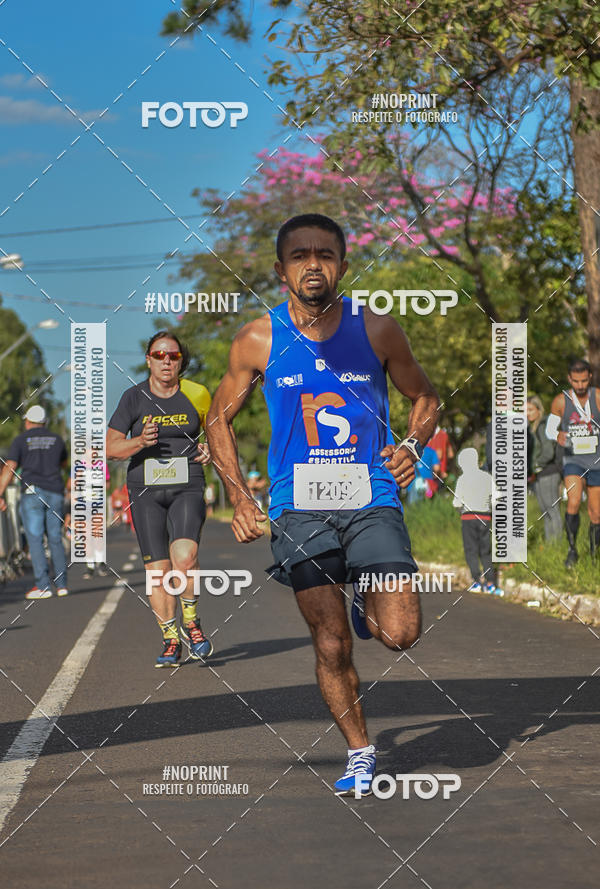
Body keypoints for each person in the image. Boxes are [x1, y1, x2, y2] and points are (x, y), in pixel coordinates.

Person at [206, 213, 439, 797]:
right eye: (300, 255)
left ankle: (366, 594)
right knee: (331, 641)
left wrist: (412, 445)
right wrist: (239, 495)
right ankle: (360, 752)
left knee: (401, 633)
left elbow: (425, 397)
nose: (313, 264)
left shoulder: (378, 329)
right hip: (298, 506)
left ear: (342, 264)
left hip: (370, 494)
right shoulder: (257, 339)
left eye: (325, 254)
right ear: (279, 269)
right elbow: (217, 419)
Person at [106, 331, 214, 667]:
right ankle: (170, 639)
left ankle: (191, 623)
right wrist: (139, 441)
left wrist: (210, 449)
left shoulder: (197, 393)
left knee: (186, 556)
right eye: (159, 355)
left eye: (173, 356)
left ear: (181, 361)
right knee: (158, 571)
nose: (167, 361)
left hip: (187, 485)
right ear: (148, 360)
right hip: (145, 491)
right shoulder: (133, 398)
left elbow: (219, 431)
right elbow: (110, 448)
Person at [0, 405, 68, 599]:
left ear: (28, 422)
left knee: (35, 538)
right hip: (55, 491)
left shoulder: (21, 440)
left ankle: (43, 586)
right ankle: (62, 585)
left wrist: (0, 493)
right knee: (55, 537)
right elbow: (63, 464)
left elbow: (10, 467)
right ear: (45, 422)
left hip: (32, 492)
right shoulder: (57, 440)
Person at [547, 358, 600, 565]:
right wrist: (557, 434)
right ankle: (572, 550)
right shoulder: (560, 401)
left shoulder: (597, 397)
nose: (580, 385)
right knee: (574, 500)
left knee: (596, 513)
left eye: (584, 381)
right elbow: (549, 430)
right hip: (574, 460)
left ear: (590, 377)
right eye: (576, 381)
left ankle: (594, 556)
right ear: (569, 379)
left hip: (596, 461)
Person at [452, 447, 502, 595]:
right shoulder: (487, 477)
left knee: (471, 551)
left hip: (468, 518)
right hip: (485, 517)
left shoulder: (462, 479)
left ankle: (477, 581)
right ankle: (490, 583)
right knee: (485, 551)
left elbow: (457, 503)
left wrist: (461, 508)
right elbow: (497, 497)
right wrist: (489, 507)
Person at [527, 395, 562, 542]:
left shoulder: (543, 425)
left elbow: (548, 452)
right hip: (539, 473)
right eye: (525, 410)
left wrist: (535, 465)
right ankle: (550, 545)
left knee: (552, 510)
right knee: (545, 511)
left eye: (530, 409)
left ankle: (557, 544)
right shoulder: (533, 428)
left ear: (538, 409)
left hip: (549, 471)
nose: (527, 413)